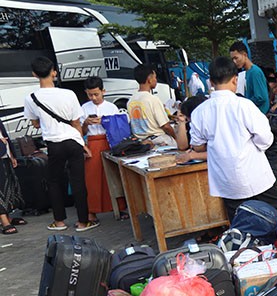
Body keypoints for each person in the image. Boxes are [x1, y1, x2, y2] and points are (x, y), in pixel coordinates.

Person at [189, 56, 277, 219]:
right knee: (276, 221)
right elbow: (266, 138)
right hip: (256, 177)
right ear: (235, 80)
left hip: (227, 182)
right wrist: (251, 147)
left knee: (240, 226)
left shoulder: (200, 111)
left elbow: (197, 145)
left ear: (211, 82)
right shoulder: (245, 105)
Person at [23, 56, 96, 232]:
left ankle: (59, 221)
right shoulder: (69, 94)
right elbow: (76, 123)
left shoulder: (31, 98)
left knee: (54, 181)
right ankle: (83, 221)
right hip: (73, 141)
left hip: (54, 144)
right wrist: (82, 143)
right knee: (78, 180)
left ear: (34, 74)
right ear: (54, 72)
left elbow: (35, 123)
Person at [81, 76, 127, 224]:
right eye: (90, 95)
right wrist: (86, 124)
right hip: (92, 143)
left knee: (113, 176)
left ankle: (119, 207)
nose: (93, 98)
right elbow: (80, 131)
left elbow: (118, 127)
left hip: (109, 142)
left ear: (103, 91)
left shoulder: (111, 107)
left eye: (96, 94)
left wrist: (105, 121)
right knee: (92, 178)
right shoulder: (84, 108)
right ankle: (92, 211)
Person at [128, 64, 177, 146]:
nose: (156, 80)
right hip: (158, 139)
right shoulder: (152, 99)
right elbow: (166, 126)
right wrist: (175, 137)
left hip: (140, 141)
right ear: (149, 80)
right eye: (155, 77)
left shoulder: (131, 100)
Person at [229, 41, 270, 114]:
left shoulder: (255, 72)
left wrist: (243, 103)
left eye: (236, 58)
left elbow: (260, 97)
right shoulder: (247, 72)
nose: (234, 62)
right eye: (232, 59)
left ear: (245, 55)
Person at [0, 120, 25, 235]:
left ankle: (8, 216)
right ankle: (4, 220)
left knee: (8, 185)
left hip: (4, 153)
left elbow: (4, 133)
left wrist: (12, 153)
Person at [174, 95, 209, 165]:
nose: (188, 119)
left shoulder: (211, 127)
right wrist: (182, 121)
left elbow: (219, 154)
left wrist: (192, 155)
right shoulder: (191, 124)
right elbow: (182, 147)